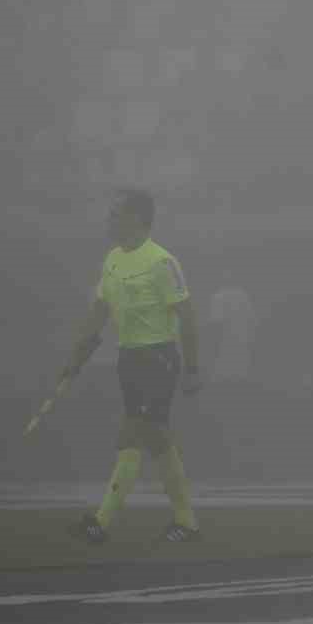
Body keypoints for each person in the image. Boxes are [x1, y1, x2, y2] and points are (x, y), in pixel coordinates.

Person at [61, 189, 202, 544]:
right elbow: (99, 312)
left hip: (158, 357)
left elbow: (187, 317)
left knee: (132, 434)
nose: (109, 220)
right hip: (129, 359)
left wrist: (193, 367)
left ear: (136, 218)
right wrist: (75, 359)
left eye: (115, 214)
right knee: (156, 439)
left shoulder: (162, 261)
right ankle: (186, 522)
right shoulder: (112, 260)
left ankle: (101, 522)